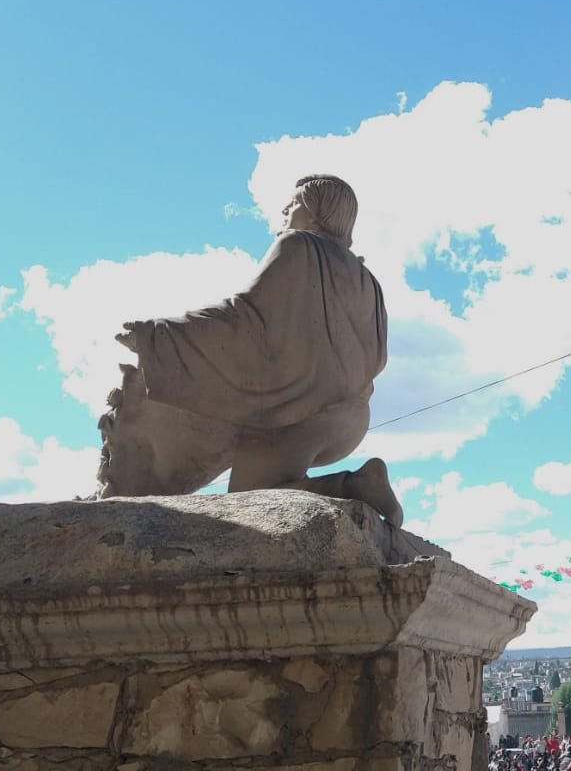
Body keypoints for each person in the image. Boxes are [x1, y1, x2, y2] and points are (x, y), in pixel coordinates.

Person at [107, 174, 401, 525]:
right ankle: (353, 483)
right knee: (265, 489)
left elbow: (244, 314)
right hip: (352, 419)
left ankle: (355, 484)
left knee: (250, 501)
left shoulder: (296, 245)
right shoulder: (371, 283)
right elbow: (377, 358)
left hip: (300, 413)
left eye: (293, 204)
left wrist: (156, 335)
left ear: (313, 210)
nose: (284, 211)